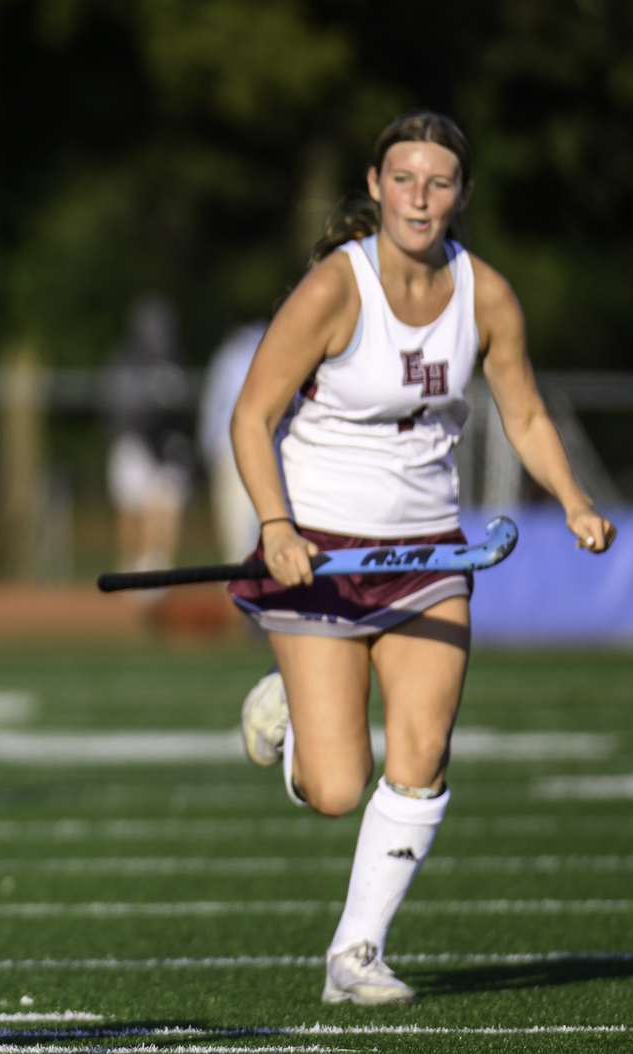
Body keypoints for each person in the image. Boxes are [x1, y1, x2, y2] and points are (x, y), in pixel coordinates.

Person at [228, 112, 614, 1005]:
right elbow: (252, 415)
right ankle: (290, 706)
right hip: (319, 552)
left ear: (462, 196)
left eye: (440, 183)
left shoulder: (488, 297)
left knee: (423, 749)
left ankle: (354, 956)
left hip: (431, 552)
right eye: (405, 179)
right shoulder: (336, 288)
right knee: (334, 787)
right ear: (375, 186)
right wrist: (276, 524)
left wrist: (575, 500)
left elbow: (523, 414)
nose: (421, 197)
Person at [103, 295, 194, 601]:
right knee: (133, 507)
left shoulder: (174, 361)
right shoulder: (125, 359)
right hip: (134, 442)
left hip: (167, 445)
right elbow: (117, 407)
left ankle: (157, 577)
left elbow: (182, 407)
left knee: (164, 505)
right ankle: (130, 573)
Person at [197, 321, 266, 564]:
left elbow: (214, 405)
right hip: (271, 444)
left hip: (233, 448)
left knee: (238, 532)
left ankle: (241, 593)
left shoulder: (229, 356)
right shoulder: (277, 348)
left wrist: (208, 449)